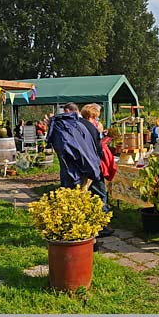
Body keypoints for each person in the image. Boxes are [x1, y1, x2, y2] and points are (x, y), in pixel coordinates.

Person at [62, 102, 114, 237]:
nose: (96, 119)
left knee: (87, 194)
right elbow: (97, 149)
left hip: (80, 167)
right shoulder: (90, 128)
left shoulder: (78, 125)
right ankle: (102, 226)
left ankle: (86, 223)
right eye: (95, 117)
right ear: (91, 116)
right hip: (92, 166)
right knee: (100, 194)